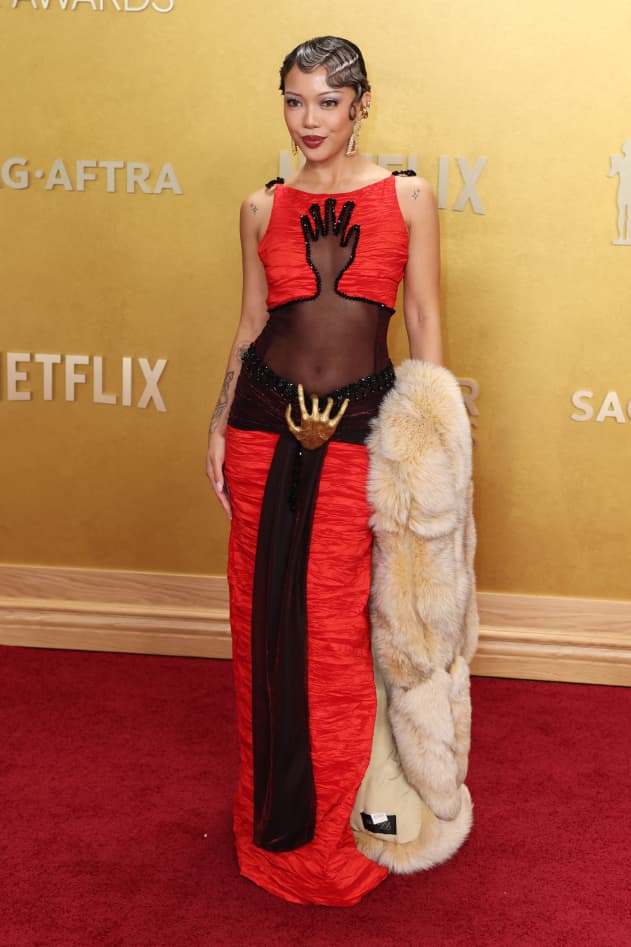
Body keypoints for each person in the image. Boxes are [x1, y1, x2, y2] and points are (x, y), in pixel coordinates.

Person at [206, 35, 442, 906]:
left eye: (327, 103)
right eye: (295, 102)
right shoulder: (257, 207)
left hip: (362, 434)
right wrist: (215, 425)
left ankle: (344, 837)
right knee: (261, 628)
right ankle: (269, 833)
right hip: (262, 428)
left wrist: (429, 442)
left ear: (361, 105)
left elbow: (423, 324)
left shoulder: (408, 196)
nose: (310, 121)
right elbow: (247, 326)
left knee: (338, 638)